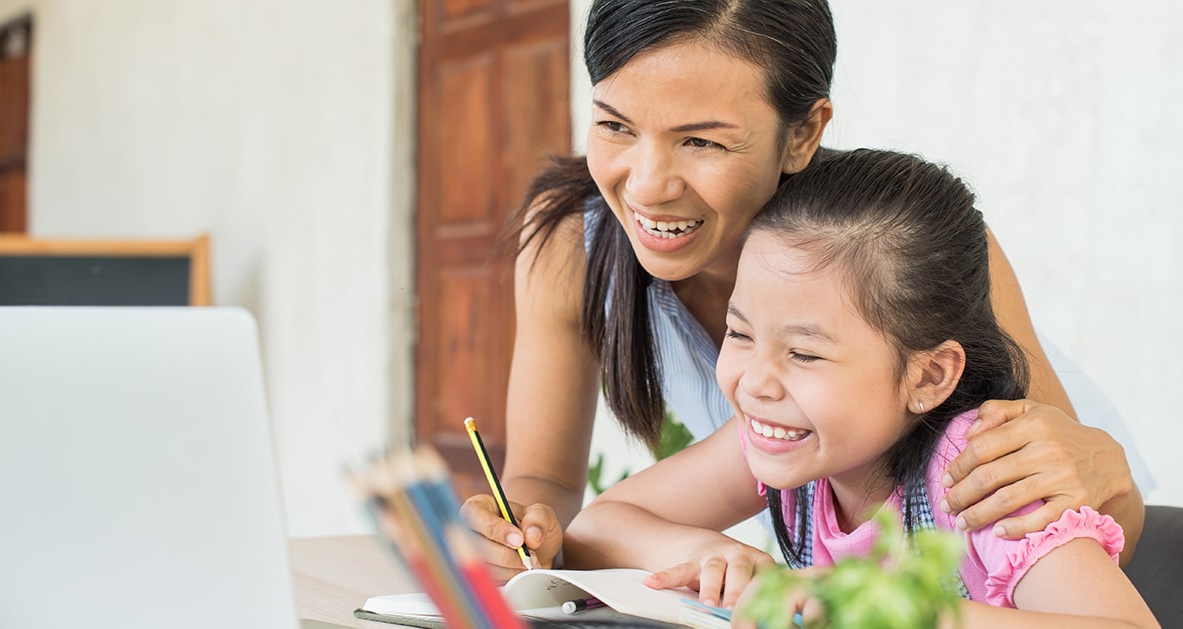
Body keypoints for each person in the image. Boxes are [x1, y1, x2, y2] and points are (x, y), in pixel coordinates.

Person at [460, 0, 1144, 582]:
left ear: (804, 134)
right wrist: (522, 532)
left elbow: (1075, 513)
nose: (644, 184)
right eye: (615, 124)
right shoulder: (569, 242)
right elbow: (552, 494)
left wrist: (1104, 473)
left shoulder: (901, 247)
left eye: (699, 141)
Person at [564, 149, 1159, 627]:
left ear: (927, 376)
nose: (755, 380)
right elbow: (596, 528)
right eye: (740, 333)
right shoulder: (790, 445)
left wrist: (900, 609)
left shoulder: (982, 475)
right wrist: (701, 553)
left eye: (804, 352)